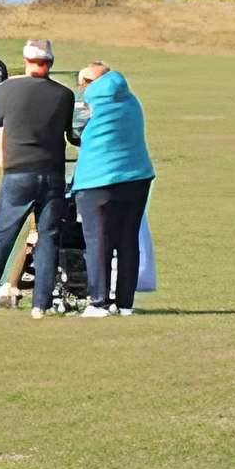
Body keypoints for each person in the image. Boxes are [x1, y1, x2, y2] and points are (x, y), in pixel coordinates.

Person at [0, 40, 75, 316]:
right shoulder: (65, 95)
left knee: (3, 237)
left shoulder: (10, 89)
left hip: (18, 174)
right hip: (53, 174)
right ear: (50, 63)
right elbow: (72, 134)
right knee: (48, 237)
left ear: (25, 60)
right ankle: (41, 305)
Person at [72, 63, 154, 316]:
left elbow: (75, 133)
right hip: (137, 175)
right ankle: (125, 303)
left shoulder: (86, 104)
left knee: (98, 239)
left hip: (98, 178)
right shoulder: (131, 100)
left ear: (88, 82)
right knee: (128, 239)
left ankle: (99, 302)